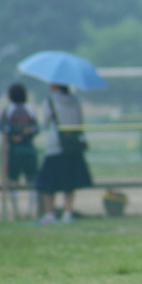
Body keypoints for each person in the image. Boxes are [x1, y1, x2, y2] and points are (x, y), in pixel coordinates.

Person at [35, 83, 92, 224]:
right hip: (72, 145)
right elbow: (80, 121)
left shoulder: (50, 101)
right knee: (69, 182)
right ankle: (67, 213)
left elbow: (45, 122)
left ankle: (50, 213)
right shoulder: (75, 101)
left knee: (48, 182)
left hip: (55, 145)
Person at [1, 83, 39, 218]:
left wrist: (16, 136)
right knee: (31, 181)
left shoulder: (8, 110)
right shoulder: (30, 109)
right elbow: (36, 128)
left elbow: (4, 129)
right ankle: (29, 210)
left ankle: (16, 211)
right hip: (28, 149)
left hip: (15, 151)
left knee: (14, 181)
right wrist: (26, 133)